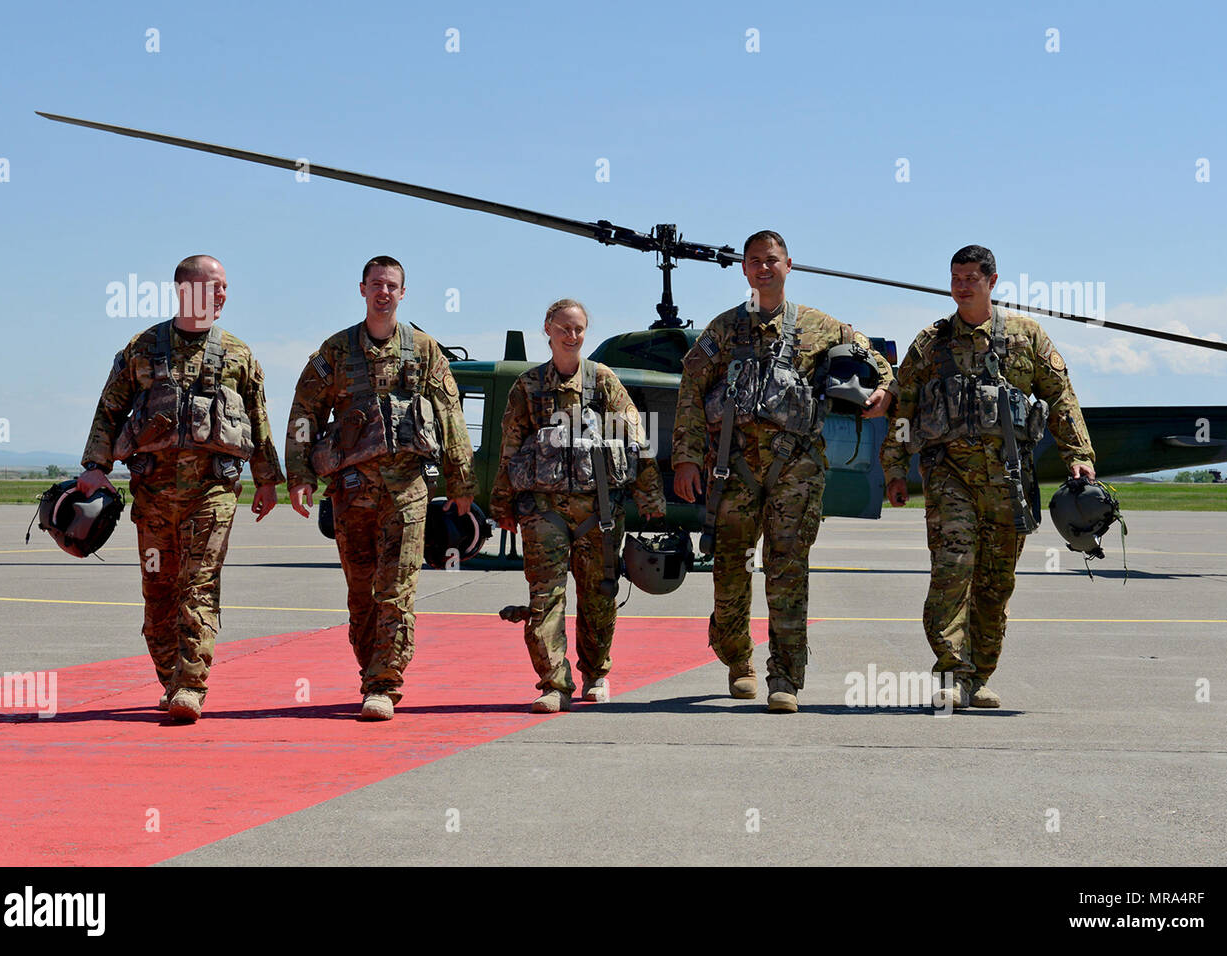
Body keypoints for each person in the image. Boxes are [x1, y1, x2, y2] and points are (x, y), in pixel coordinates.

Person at [672, 231, 893, 713]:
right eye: (755, 262)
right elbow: (691, 389)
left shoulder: (822, 327)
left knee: (787, 573)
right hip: (732, 470)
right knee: (728, 574)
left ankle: (785, 679)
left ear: (788, 265)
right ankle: (737, 662)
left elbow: (875, 361)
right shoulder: (725, 329)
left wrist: (885, 394)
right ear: (745, 270)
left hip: (797, 470)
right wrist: (687, 457)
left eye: (771, 260)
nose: (763, 268)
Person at [881, 244, 1096, 708]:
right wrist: (894, 468)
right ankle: (951, 671)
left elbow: (1060, 396)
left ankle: (978, 675)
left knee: (996, 583)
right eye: (955, 278)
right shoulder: (930, 344)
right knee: (953, 568)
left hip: (1009, 480)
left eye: (971, 278)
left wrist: (1078, 453)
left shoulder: (1026, 337)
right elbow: (903, 409)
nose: (961, 286)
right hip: (948, 476)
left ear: (992, 282)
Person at [78, 254, 284, 723]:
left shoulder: (237, 353)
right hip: (152, 493)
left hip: (213, 491)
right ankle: (171, 676)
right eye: (215, 286)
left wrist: (268, 479)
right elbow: (110, 410)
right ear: (185, 290)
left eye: (225, 287)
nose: (223, 294)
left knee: (199, 585)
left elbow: (258, 418)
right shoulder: (142, 348)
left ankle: (191, 685)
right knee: (158, 592)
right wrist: (95, 465)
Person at [286, 255, 475, 721]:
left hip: (408, 490)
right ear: (362, 289)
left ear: (402, 293)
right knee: (360, 592)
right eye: (376, 285)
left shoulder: (425, 350)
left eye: (391, 285)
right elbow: (304, 414)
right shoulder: (335, 351)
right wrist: (299, 476)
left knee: (396, 589)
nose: (383, 292)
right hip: (351, 493)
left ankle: (384, 686)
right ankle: (369, 669)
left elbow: (450, 415)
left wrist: (461, 480)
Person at [489, 299, 666, 713]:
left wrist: (651, 493)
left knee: (599, 594)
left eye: (579, 329)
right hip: (542, 509)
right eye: (564, 328)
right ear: (547, 330)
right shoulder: (528, 387)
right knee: (545, 596)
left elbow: (635, 435)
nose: (572, 336)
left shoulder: (603, 381)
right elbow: (510, 447)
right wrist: (503, 503)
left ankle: (596, 673)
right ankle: (554, 683)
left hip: (598, 512)